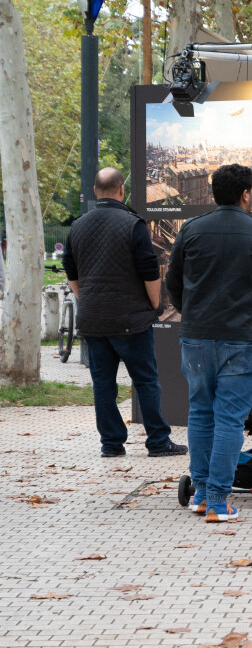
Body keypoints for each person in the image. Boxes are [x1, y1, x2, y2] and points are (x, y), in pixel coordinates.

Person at [167, 164, 252, 522]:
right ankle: (218, 501)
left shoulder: (190, 230)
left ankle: (202, 494)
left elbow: (174, 285)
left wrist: (193, 315)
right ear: (246, 194)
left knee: (201, 414)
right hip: (243, 339)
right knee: (230, 420)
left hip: (197, 337)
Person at [63, 168, 187, 459]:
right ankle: (157, 441)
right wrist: (154, 304)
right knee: (145, 380)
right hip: (131, 320)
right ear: (121, 191)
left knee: (103, 383)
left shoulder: (77, 226)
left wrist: (87, 299)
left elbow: (72, 271)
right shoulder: (133, 225)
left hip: (93, 321)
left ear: (95, 191)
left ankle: (111, 444)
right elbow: (149, 270)